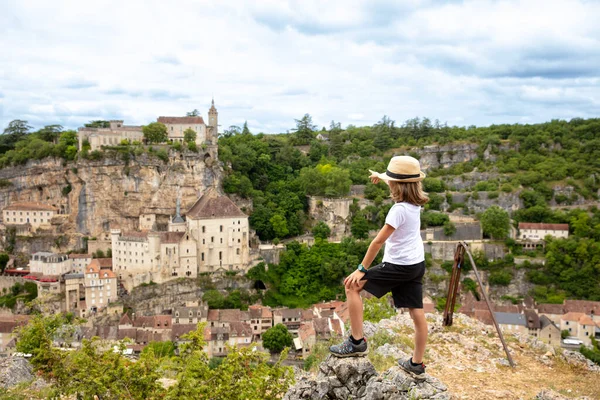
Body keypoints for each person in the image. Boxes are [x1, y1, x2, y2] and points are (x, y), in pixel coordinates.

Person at [329, 155, 429, 377]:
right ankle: (417, 364)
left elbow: (377, 241)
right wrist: (380, 177)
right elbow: (400, 183)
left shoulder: (398, 210)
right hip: (415, 265)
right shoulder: (414, 204)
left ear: (397, 185)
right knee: (417, 312)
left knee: (351, 286)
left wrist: (361, 269)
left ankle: (356, 342)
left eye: (390, 180)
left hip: (398, 266)